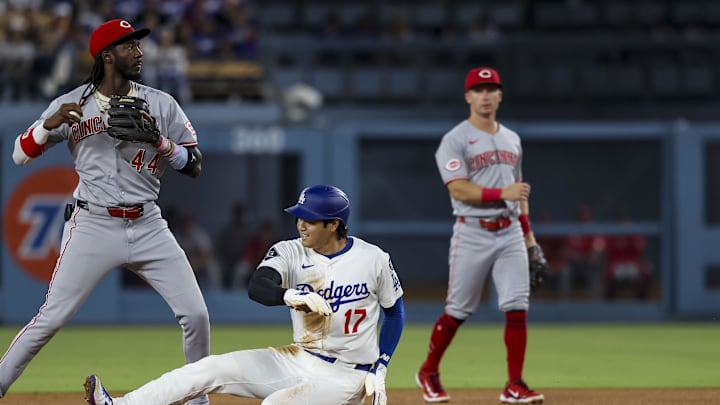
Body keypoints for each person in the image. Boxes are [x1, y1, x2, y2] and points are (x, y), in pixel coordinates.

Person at [1, 19, 210, 405]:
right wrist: (48, 126)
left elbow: (194, 164)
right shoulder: (73, 104)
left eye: (139, 45)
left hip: (148, 223)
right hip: (92, 223)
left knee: (196, 315)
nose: (140, 52)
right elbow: (19, 154)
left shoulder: (162, 104)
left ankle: (198, 400)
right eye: (131, 46)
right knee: (50, 318)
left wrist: (160, 142)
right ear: (108, 55)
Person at [84, 184, 406, 405]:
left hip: (346, 375)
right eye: (298, 217)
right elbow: (258, 285)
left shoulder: (372, 259)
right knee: (209, 369)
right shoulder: (291, 251)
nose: (300, 224)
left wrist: (381, 365)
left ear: (334, 224)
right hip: (299, 358)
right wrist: (289, 295)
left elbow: (394, 312)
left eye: (309, 219)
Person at [416, 67, 545, 404]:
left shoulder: (512, 138)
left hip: (511, 231)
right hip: (472, 231)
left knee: (517, 307)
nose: (485, 95)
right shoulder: (455, 139)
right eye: (479, 89)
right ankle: (428, 370)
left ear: (500, 95)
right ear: (468, 96)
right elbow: (459, 190)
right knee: (458, 310)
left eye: (491, 89)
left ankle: (514, 384)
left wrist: (530, 238)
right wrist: (504, 191)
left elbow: (519, 194)